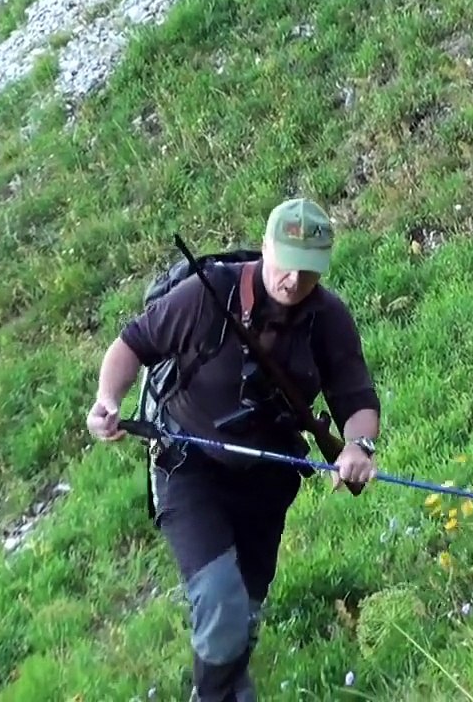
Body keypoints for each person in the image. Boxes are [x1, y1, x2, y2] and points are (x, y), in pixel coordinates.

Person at [84, 197, 382, 701]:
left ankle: (231, 687)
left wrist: (358, 445)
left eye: (308, 273)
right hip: (189, 468)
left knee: (244, 609)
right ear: (265, 247)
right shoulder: (206, 297)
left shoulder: (327, 318)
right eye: (286, 265)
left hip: (268, 482)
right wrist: (106, 401)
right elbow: (131, 345)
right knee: (220, 598)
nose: (293, 282)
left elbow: (355, 396)